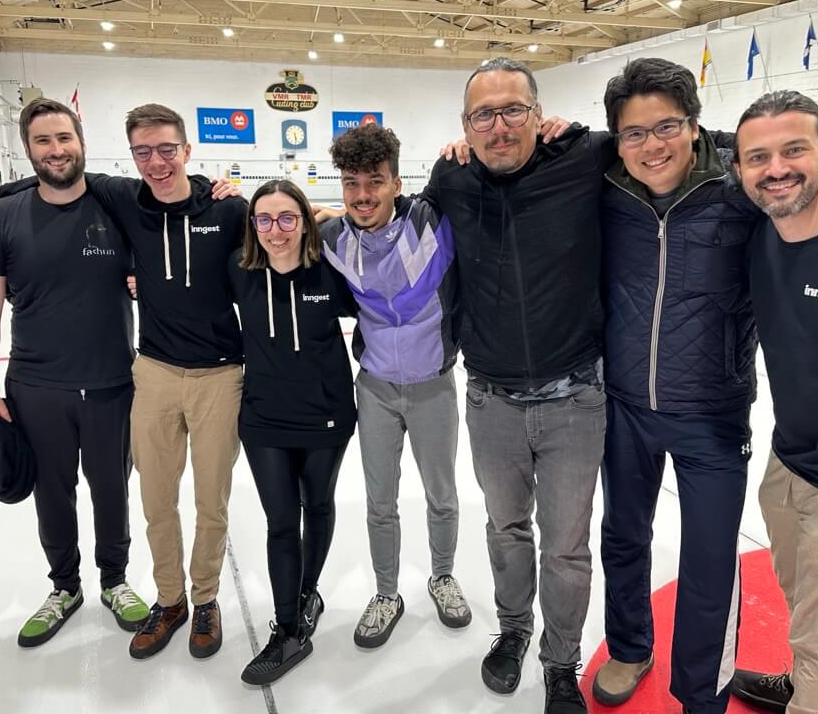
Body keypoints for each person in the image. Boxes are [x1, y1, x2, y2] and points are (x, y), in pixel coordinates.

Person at [0, 103, 245, 661]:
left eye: (167, 149)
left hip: (170, 376)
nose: (156, 161)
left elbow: (283, 228)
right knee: (111, 495)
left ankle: (166, 591)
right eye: (143, 151)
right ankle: (110, 592)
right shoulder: (82, 203)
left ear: (187, 150)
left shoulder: (200, 205)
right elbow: (55, 176)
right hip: (95, 375)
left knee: (164, 495)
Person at [427, 57, 611, 713]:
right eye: (484, 114)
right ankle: (513, 633)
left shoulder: (584, 155)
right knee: (506, 532)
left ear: (539, 113)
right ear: (465, 125)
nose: (499, 126)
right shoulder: (449, 176)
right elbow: (391, 232)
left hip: (576, 400)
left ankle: (562, 664)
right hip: (491, 400)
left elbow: (681, 151)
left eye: (513, 110)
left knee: (566, 548)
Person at [591, 59, 758, 714]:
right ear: (616, 139)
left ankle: (701, 693)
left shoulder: (738, 194)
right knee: (623, 536)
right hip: (626, 406)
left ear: (694, 126)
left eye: (667, 126)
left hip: (714, 413)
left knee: (712, 560)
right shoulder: (605, 192)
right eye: (634, 133)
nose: (651, 145)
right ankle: (630, 646)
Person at [0, 98, 148, 648]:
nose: (56, 150)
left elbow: (172, 197)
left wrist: (223, 189)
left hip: (111, 380)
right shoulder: (1, 215)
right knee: (52, 491)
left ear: (82, 140)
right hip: (36, 384)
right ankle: (65, 586)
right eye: (43, 142)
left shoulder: (116, 204)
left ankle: (115, 580)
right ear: (28, 150)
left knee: (112, 490)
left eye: (63, 138)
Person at [729, 90, 818, 714]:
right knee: (799, 599)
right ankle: (802, 683)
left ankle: (812, 696)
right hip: (788, 462)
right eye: (757, 156)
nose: (776, 168)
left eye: (794, 150)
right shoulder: (760, 233)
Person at [319, 123, 471, 649]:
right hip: (376, 388)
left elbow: (480, 183)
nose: (363, 196)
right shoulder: (332, 238)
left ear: (395, 181)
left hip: (433, 386)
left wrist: (460, 153)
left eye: (375, 182)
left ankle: (443, 575)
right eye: (351, 183)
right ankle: (386, 593)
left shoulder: (430, 221)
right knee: (379, 500)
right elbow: (267, 232)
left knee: (442, 495)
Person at [229, 179, 357, 684]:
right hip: (263, 419)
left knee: (317, 506)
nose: (275, 230)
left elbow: (365, 223)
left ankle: (309, 594)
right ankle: (287, 631)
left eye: (288, 218)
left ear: (304, 221)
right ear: (252, 226)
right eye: (264, 219)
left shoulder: (331, 270)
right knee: (281, 521)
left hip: (326, 414)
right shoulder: (238, 272)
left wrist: (329, 216)